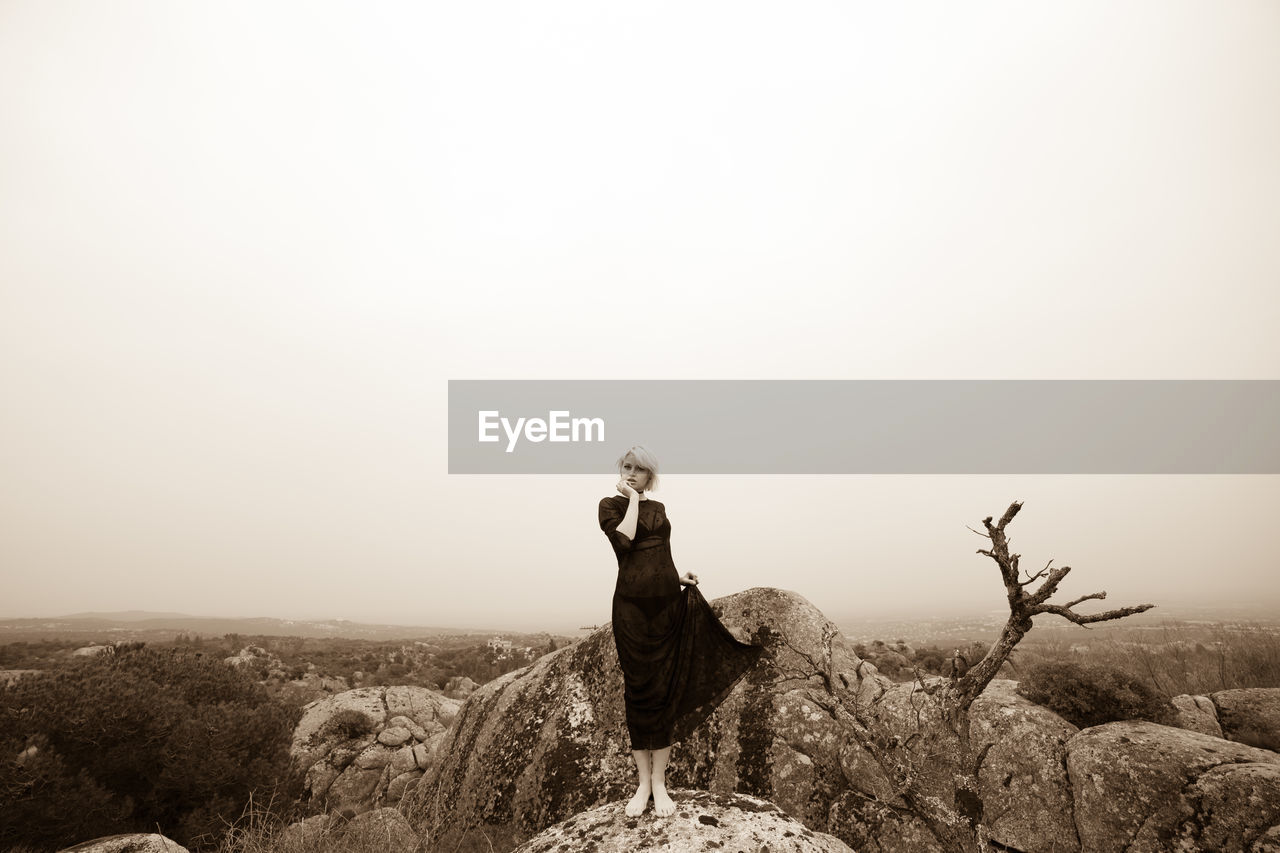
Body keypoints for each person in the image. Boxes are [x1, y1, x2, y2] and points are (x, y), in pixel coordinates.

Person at [597, 445, 764, 817]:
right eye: (627, 467)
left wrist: (677, 579)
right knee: (638, 693)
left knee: (665, 691)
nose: (632, 473)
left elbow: (661, 553)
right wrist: (632, 500)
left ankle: (660, 783)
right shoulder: (609, 506)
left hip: (668, 607)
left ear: (650, 475)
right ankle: (642, 784)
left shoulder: (659, 509)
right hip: (632, 611)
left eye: (640, 469)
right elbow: (624, 542)